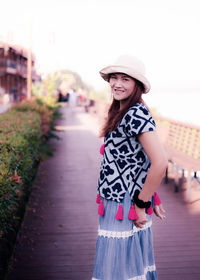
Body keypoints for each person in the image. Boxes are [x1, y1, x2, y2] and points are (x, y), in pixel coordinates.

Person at [92, 55, 168, 280]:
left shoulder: (135, 113)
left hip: (126, 203)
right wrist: (151, 194)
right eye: (114, 78)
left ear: (137, 86)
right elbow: (139, 160)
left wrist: (143, 202)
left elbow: (160, 162)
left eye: (125, 79)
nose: (117, 83)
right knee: (124, 267)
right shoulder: (121, 110)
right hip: (116, 199)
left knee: (119, 269)